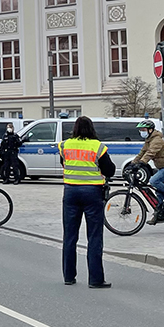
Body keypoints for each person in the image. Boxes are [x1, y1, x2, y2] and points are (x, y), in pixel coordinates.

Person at [58, 116, 115, 289]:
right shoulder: (98, 147)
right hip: (92, 193)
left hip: (70, 192)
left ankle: (69, 276)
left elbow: (64, 163)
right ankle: (95, 279)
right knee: (94, 236)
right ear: (91, 128)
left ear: (75, 129)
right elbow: (109, 170)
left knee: (69, 236)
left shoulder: (65, 145)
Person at [130, 120, 164, 225]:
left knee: (153, 181)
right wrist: (133, 163)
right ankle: (159, 214)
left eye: (143, 130)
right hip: (162, 167)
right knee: (159, 192)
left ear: (150, 130)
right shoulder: (149, 140)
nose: (141, 132)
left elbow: (150, 152)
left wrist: (142, 163)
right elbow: (142, 152)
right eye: (140, 130)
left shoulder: (156, 140)